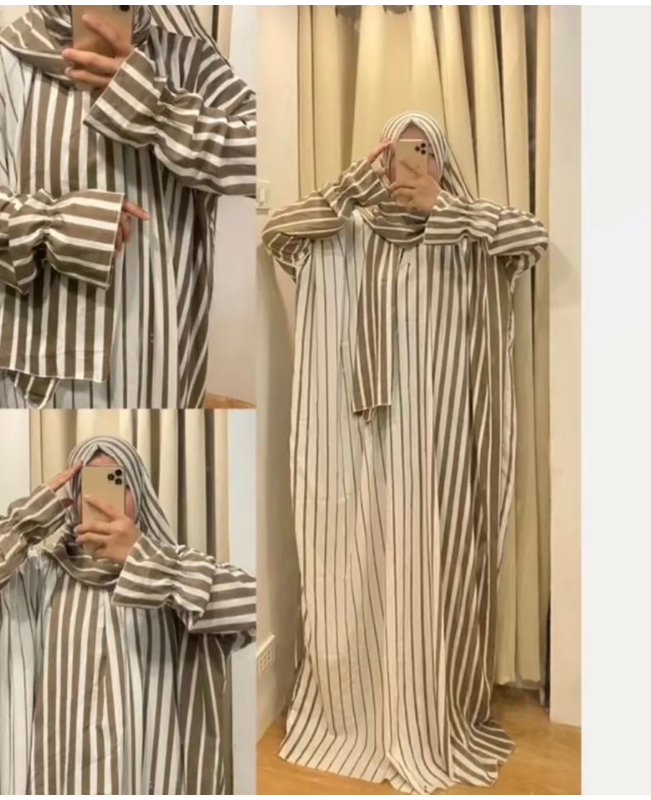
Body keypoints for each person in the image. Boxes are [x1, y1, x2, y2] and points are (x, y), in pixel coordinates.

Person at [261, 111, 548, 793]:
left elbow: (532, 239)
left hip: (442, 454)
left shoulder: (468, 238)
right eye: (399, 154)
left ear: (441, 162)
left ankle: (428, 707)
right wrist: (356, 185)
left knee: (434, 574)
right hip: (353, 449)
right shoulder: (345, 233)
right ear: (382, 161)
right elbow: (278, 233)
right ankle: (358, 707)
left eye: (424, 153)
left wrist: (444, 205)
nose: (410, 167)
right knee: (353, 568)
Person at [0, 5, 255, 409]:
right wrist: (51, 226)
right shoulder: (2, 66)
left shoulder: (189, 60)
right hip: (41, 375)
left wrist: (161, 110)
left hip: (166, 358)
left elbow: (258, 160)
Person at [0, 435, 256, 794]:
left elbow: (252, 608)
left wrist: (149, 563)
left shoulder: (177, 581)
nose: (102, 499)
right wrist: (25, 523)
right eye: (89, 485)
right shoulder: (32, 581)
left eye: (117, 482)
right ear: (73, 498)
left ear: (140, 494)